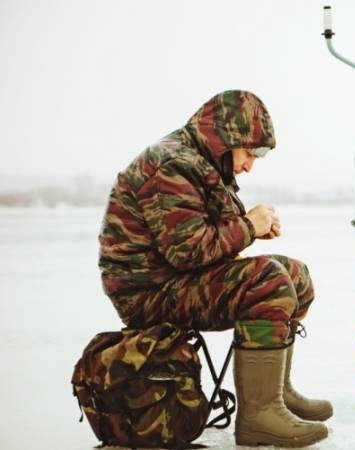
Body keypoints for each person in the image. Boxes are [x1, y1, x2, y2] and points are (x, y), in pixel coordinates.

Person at [97, 90, 330, 447]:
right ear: (228, 138)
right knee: (268, 280)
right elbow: (187, 252)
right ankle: (258, 417)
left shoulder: (198, 161)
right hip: (148, 294)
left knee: (295, 276)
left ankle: (276, 392)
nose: (251, 164)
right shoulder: (172, 164)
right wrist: (248, 227)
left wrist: (250, 230)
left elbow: (201, 234)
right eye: (251, 152)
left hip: (175, 281)